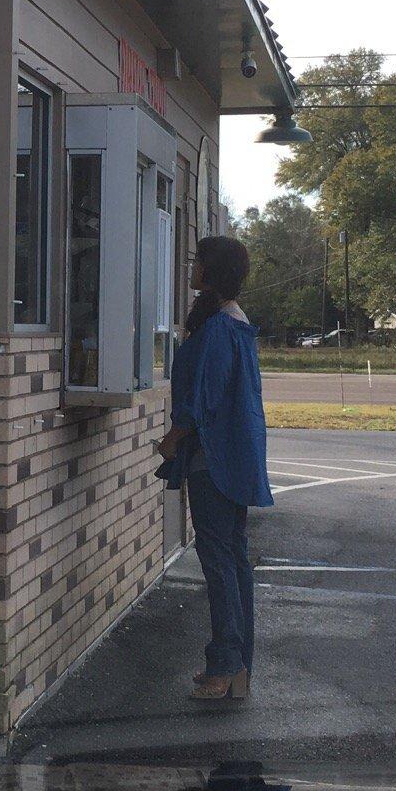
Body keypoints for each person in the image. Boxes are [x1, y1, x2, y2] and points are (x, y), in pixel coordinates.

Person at [157, 235, 274, 703]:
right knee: (233, 562)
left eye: (197, 261)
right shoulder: (233, 322)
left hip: (215, 464)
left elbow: (201, 400)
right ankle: (236, 666)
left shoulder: (221, 330)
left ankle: (225, 666)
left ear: (213, 269)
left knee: (221, 565)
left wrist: (171, 440)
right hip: (233, 459)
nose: (191, 268)